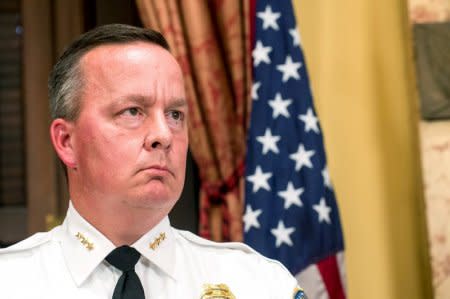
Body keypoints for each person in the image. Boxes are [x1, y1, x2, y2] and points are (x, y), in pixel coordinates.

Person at [0, 24, 306, 299]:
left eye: (175, 115)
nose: (163, 135)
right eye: (132, 111)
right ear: (67, 142)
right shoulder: (11, 282)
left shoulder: (257, 283)